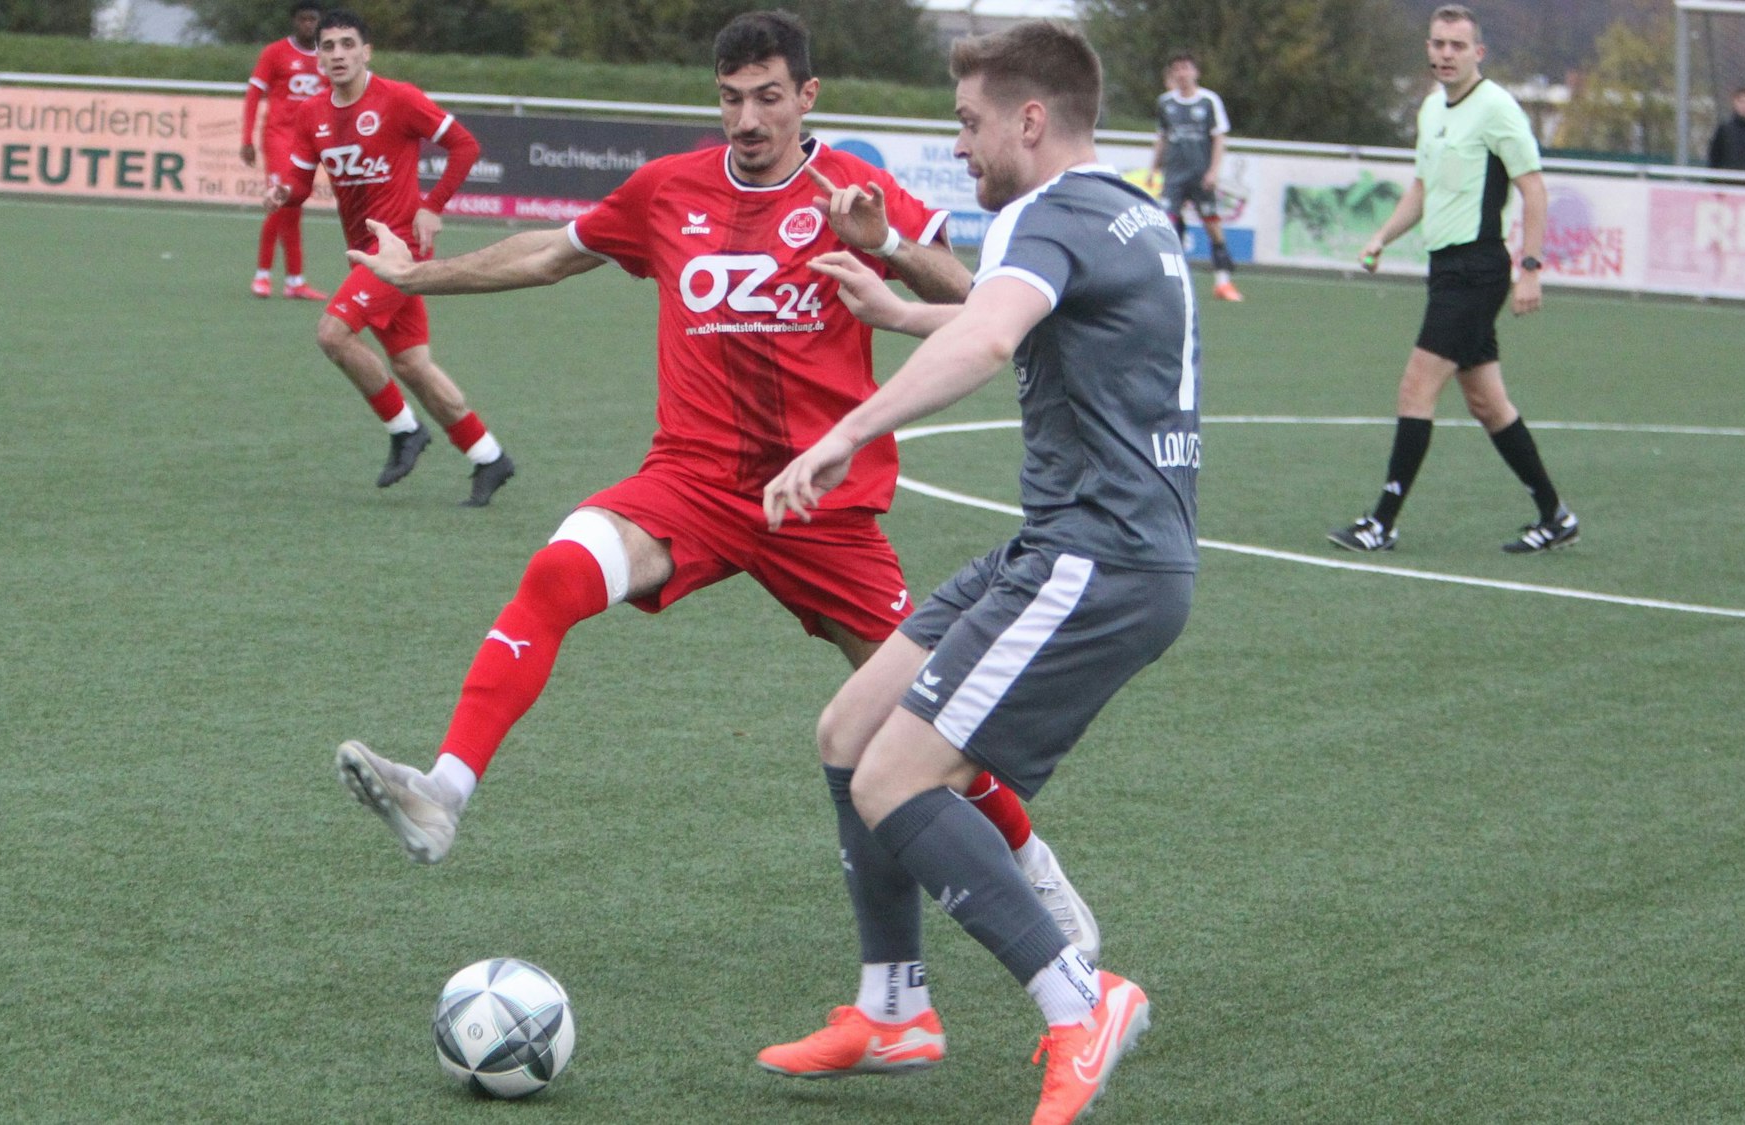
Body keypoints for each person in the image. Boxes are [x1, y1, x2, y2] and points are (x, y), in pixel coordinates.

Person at [328, 9, 1101, 964]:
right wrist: (419, 277)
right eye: (731, 99)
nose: (747, 120)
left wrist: (890, 246)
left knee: (927, 715)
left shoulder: (853, 190)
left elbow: (979, 304)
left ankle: (1031, 863)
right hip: (690, 484)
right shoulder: (669, 189)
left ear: (807, 96)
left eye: (768, 98)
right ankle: (443, 791)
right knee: (557, 572)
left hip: (824, 506)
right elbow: (551, 253)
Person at [757, 21, 1197, 1123]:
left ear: (1029, 120)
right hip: (1067, 544)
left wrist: (843, 434)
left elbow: (993, 339)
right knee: (851, 730)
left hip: (1096, 557)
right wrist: (902, 307)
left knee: (896, 780)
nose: (958, 145)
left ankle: (1079, 1000)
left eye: (967, 122)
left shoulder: (1042, 214)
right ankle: (893, 1008)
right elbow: (1027, 318)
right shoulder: (1127, 210)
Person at [1329, 4, 1576, 554]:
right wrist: (1382, 236)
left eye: (1457, 46)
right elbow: (1422, 188)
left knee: (1416, 387)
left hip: (1477, 270)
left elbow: (1534, 189)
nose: (1445, 54)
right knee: (1488, 405)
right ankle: (1555, 516)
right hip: (1445, 271)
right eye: (1438, 44)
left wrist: (1530, 268)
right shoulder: (1431, 109)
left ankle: (1382, 522)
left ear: (1477, 53)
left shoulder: (1497, 109)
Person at [264, 10, 516, 504]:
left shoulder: (397, 98)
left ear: (366, 52)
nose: (337, 54)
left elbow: (464, 145)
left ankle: (405, 429)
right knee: (412, 364)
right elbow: (299, 182)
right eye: (327, 46)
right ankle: (489, 456)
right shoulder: (311, 113)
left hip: (400, 247)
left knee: (333, 334)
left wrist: (432, 206)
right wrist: (283, 193)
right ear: (317, 57)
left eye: (347, 44)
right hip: (366, 254)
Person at [242, 0, 329, 301]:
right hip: (279, 137)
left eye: (313, 19)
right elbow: (254, 94)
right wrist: (247, 139)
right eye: (303, 19)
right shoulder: (275, 52)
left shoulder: (327, 56)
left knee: (294, 208)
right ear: (294, 21)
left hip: (308, 142)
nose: (308, 25)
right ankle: (262, 275)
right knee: (281, 202)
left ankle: (294, 281)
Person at [1150, 52, 1242, 302]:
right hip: (1174, 177)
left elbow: (1219, 138)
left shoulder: (1209, 101)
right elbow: (1162, 137)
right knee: (1167, 228)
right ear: (1173, 73)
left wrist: (1213, 171)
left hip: (1201, 176)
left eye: (1186, 68)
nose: (1182, 73)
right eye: (1177, 69)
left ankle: (1223, 282)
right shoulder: (1165, 103)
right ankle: (1169, 283)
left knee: (1212, 226)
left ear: (1195, 72)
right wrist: (1153, 168)